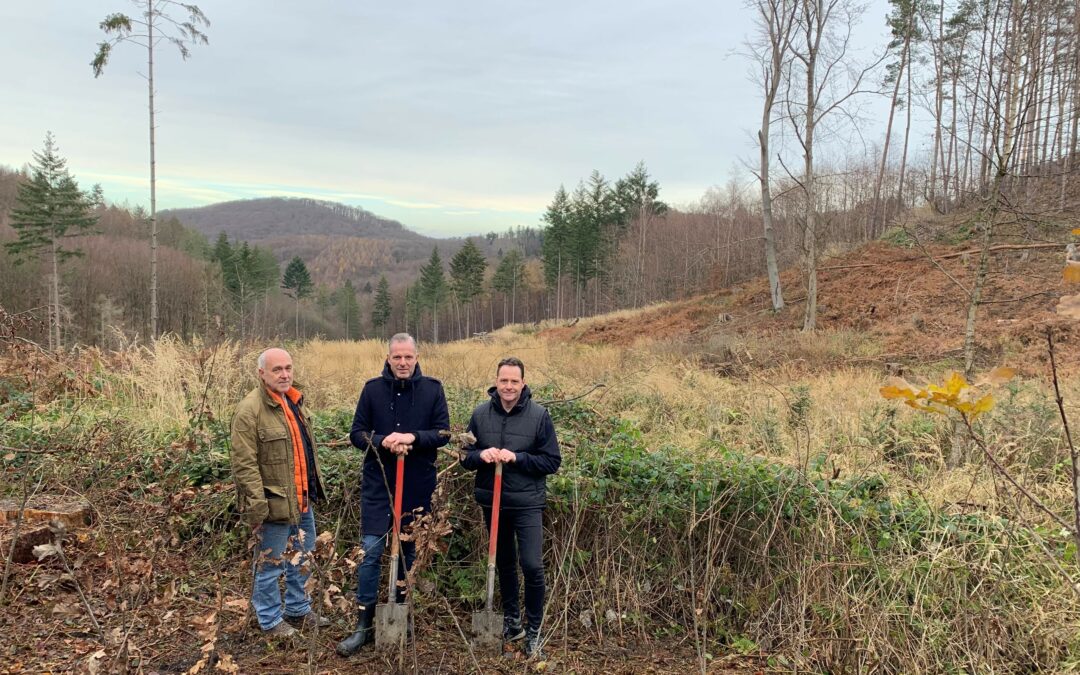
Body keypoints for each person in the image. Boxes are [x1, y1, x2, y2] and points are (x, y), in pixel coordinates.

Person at [336, 333, 450, 656]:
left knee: (410, 554)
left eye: (408, 357)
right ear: (388, 358)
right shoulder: (372, 390)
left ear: (417, 357)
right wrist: (383, 440)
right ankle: (364, 624)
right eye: (397, 357)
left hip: (417, 486)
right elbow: (357, 433)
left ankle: (401, 613)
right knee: (370, 551)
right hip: (379, 484)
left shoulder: (433, 389)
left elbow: (442, 433)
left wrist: (412, 436)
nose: (402, 362)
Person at [461, 357, 561, 658]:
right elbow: (465, 456)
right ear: (496, 381)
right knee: (503, 563)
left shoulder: (539, 415)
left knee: (531, 565)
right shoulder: (480, 415)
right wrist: (482, 455)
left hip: (527, 503)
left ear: (523, 384)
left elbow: (552, 461)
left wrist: (518, 458)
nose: (508, 386)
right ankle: (512, 621)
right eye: (503, 380)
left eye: (514, 381)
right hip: (493, 501)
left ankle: (534, 631)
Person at [230, 347, 329, 638]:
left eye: (288, 368)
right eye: (277, 369)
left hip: (301, 501)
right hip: (273, 504)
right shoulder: (249, 411)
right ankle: (270, 621)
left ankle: (298, 610)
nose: (285, 374)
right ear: (261, 373)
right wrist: (257, 508)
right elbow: (244, 464)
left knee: (303, 557)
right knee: (270, 566)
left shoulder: (294, 402)